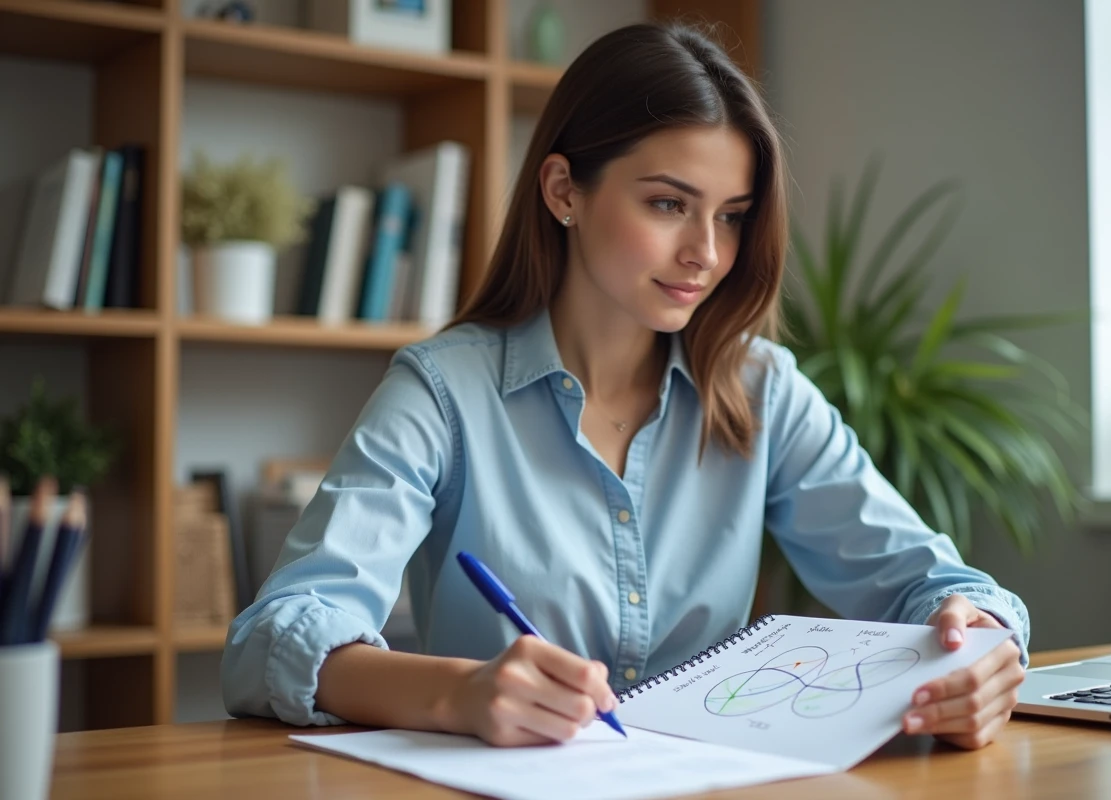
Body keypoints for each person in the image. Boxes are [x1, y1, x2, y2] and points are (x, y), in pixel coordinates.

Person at [221, 20, 1028, 752]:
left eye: (733, 216)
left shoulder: (761, 388)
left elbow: (935, 584)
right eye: (670, 204)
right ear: (564, 190)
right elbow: (273, 639)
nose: (707, 254)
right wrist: (460, 693)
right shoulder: (442, 392)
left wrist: (981, 643)